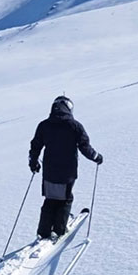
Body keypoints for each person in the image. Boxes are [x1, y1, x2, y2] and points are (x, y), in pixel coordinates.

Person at [29, 96, 103, 239]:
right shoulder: (74, 126)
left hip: (49, 171)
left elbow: (35, 146)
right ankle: (59, 229)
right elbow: (84, 147)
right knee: (65, 198)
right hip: (67, 171)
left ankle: (43, 231)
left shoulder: (44, 125)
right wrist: (96, 157)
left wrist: (33, 162)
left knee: (50, 199)